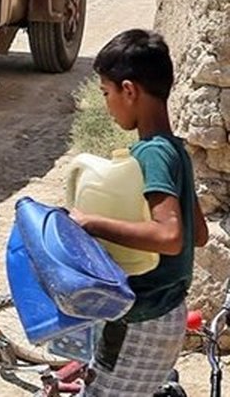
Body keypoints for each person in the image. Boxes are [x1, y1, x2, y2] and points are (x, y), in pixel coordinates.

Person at [69, 29, 209, 397]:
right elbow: (200, 233)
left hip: (141, 320)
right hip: (169, 314)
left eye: (106, 94)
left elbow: (170, 236)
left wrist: (90, 223)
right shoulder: (174, 149)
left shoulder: (152, 154)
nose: (107, 105)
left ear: (129, 90)